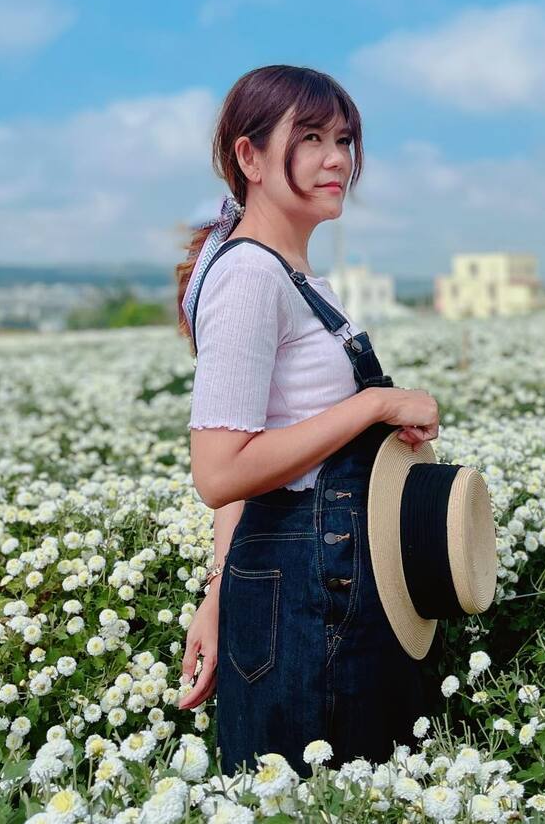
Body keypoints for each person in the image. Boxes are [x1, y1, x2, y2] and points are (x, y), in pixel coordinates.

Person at [173, 64, 441, 779]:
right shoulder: (251, 277)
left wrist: (219, 593)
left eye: (346, 139)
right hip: (304, 589)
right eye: (313, 137)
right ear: (250, 158)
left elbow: (250, 480)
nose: (338, 160)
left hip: (320, 579)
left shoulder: (292, 277)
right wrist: (374, 405)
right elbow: (221, 471)